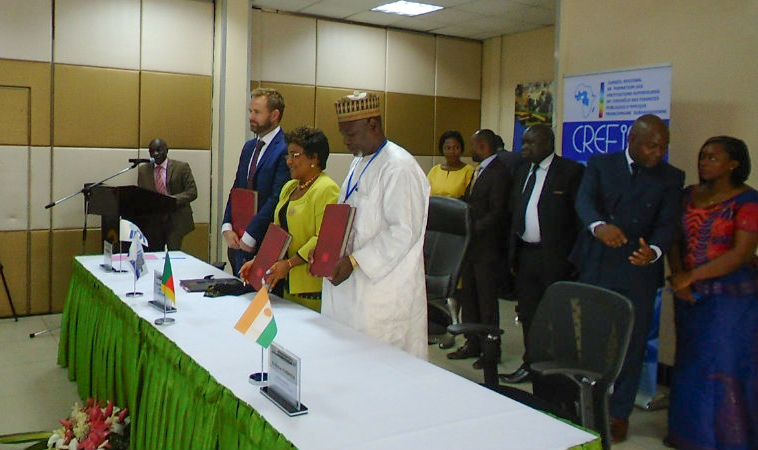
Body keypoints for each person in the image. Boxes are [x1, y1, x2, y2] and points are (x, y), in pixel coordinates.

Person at [569, 114, 685, 443]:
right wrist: (598, 226)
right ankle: (588, 404)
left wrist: (658, 251)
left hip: (639, 269)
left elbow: (668, 223)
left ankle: (620, 413)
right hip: (597, 264)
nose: (658, 152)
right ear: (632, 139)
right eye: (651, 145)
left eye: (663, 146)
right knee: (593, 339)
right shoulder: (601, 164)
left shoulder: (671, 176)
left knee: (632, 345)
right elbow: (584, 201)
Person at [319, 91, 430, 359]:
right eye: (342, 134)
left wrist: (355, 260)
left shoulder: (399, 166)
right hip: (349, 290)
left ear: (373, 124)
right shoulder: (359, 162)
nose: (345, 141)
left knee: (381, 369)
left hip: (382, 294)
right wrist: (327, 251)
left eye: (351, 134)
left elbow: (403, 232)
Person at [666, 136, 758, 450]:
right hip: (689, 295)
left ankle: (727, 441)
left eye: (713, 157)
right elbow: (674, 239)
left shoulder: (748, 201)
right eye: (702, 156)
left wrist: (692, 275)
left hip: (731, 300)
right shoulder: (687, 195)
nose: (704, 162)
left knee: (725, 368)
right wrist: (680, 277)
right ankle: (688, 437)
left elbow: (741, 254)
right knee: (690, 366)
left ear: (733, 164)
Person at [501, 125, 584, 384]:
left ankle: (561, 373)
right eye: (523, 143)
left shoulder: (571, 172)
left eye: (530, 143)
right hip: (526, 255)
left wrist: (573, 261)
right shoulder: (522, 170)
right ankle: (532, 364)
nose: (524, 148)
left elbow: (580, 220)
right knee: (529, 315)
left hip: (556, 259)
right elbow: (515, 212)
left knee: (559, 318)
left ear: (548, 142)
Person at [240, 127, 339, 312]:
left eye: (295, 155)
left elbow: (323, 237)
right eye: (288, 155)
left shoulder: (326, 189)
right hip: (286, 283)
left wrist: (290, 263)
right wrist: (259, 261)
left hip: (311, 285)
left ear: (314, 158)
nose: (289, 161)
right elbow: (278, 232)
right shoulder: (289, 187)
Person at [446, 129, 512, 368]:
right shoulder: (479, 170)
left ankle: (491, 350)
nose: (470, 151)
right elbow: (471, 203)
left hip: (488, 248)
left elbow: (498, 212)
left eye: (473, 146)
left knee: (486, 300)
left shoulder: (499, 173)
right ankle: (472, 342)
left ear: (482, 146)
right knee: (469, 296)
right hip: (470, 248)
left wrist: (472, 229)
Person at [222, 88, 290, 275]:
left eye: (257, 112)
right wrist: (227, 226)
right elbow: (237, 189)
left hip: (263, 242)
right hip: (237, 239)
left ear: (275, 115)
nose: (251, 116)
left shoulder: (284, 149)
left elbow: (276, 198)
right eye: (250, 111)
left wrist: (250, 236)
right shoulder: (249, 147)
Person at [136, 138, 197, 251]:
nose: (155, 154)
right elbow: (142, 195)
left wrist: (170, 200)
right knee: (155, 255)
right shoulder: (143, 170)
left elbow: (192, 192)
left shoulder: (181, 167)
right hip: (154, 221)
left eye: (159, 150)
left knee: (173, 255)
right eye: (152, 151)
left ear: (167, 150)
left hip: (176, 219)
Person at [426, 130, 474, 198]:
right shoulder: (434, 170)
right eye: (448, 148)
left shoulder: (469, 171)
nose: (452, 152)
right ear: (442, 150)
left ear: (461, 149)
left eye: (456, 148)